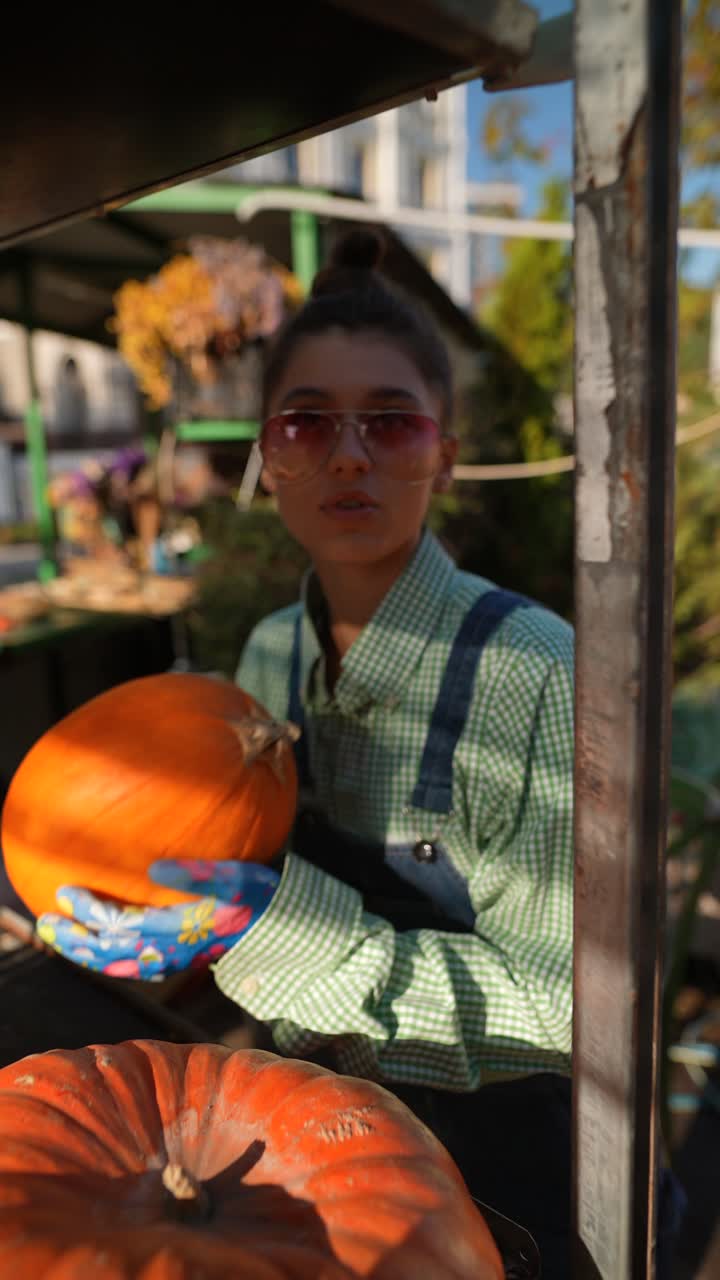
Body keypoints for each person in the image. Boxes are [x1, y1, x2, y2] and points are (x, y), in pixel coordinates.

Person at [38, 231, 575, 1276]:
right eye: (307, 421)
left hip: (513, 1169)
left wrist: (273, 929)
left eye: (391, 420)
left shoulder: (535, 671)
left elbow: (566, 1010)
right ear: (267, 454)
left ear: (445, 453)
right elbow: (215, 854)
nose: (348, 454)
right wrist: (175, 939)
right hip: (298, 1142)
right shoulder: (269, 653)